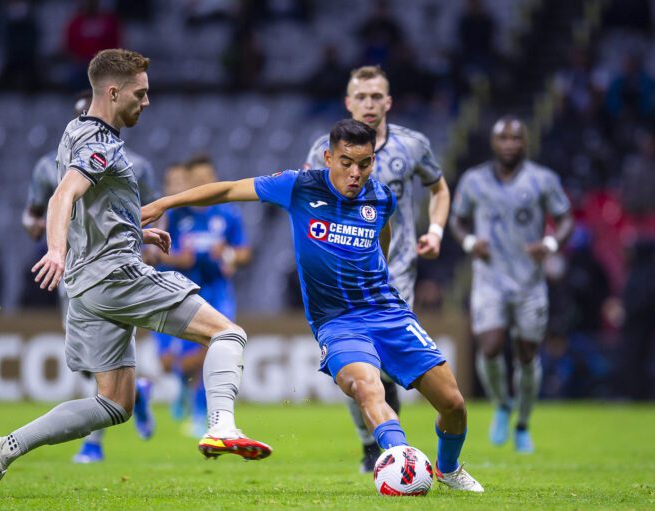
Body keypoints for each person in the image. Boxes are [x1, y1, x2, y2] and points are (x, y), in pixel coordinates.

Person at [0, 49, 271, 498]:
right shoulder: (101, 144)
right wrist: (54, 249)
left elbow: (93, 207)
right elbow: (62, 198)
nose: (146, 102)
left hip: (87, 284)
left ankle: (3, 449)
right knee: (228, 335)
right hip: (115, 277)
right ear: (113, 92)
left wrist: (136, 233)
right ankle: (221, 427)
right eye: (141, 93)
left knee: (114, 404)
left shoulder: (74, 132)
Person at [142, 119, 484, 492]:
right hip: (337, 323)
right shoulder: (299, 186)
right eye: (346, 162)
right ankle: (400, 460)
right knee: (368, 389)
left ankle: (448, 469)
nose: (355, 173)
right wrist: (163, 203)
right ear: (328, 157)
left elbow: (381, 235)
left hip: (388, 312)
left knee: (453, 404)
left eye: (365, 163)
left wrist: (380, 274)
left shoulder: (381, 197)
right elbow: (226, 190)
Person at [304, 65, 450, 473]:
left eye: (376, 97)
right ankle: (373, 443)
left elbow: (439, 188)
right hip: (342, 282)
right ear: (348, 103)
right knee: (360, 367)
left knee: (380, 368)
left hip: (396, 273)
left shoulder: (413, 145)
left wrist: (436, 230)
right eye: (361, 97)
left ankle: (386, 443)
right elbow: (306, 200)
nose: (369, 104)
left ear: (389, 102)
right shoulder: (323, 149)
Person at [22, 90, 159, 464]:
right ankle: (137, 392)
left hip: (113, 269)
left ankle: (93, 443)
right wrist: (44, 231)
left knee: (100, 363)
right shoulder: (48, 168)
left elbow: (148, 211)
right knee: (89, 362)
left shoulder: (135, 165)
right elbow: (33, 214)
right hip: (70, 271)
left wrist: (142, 238)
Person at [449, 117, 574, 453]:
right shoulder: (474, 180)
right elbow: (457, 220)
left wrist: (548, 245)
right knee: (489, 346)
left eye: (515, 138)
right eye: (502, 138)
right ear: (493, 143)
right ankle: (502, 405)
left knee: (527, 355)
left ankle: (522, 423)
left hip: (529, 282)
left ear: (525, 142)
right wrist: (469, 242)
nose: (509, 144)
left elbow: (565, 218)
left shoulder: (542, 180)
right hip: (490, 279)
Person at [154, 156, 251, 437]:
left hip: (217, 291)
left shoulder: (228, 214)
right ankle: (184, 385)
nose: (203, 184)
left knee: (216, 346)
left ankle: (200, 413)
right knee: (169, 363)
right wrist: (175, 259)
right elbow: (150, 253)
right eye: (197, 180)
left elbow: (243, 252)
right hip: (177, 291)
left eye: (208, 178)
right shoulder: (175, 214)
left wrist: (229, 255)